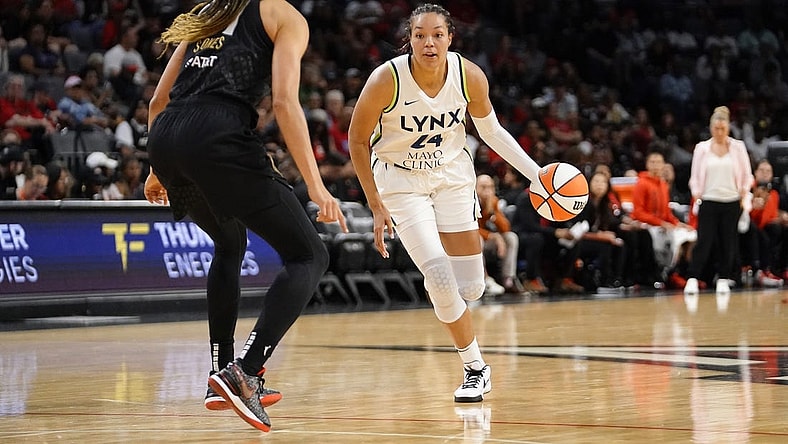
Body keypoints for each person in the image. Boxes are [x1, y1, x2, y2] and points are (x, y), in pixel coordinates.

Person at [143, 0, 347, 432]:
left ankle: (219, 371)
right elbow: (286, 102)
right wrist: (315, 183)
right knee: (309, 257)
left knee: (229, 242)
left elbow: (160, 99)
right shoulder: (282, 15)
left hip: (167, 137)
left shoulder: (208, 10)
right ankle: (245, 372)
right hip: (217, 136)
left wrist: (156, 168)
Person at [348, 3, 540, 403]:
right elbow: (356, 140)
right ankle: (475, 368)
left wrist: (537, 174)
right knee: (437, 274)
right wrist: (375, 204)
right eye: (420, 34)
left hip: (452, 177)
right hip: (400, 180)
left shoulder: (469, 76)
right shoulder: (387, 79)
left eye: (437, 34)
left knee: (469, 287)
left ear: (450, 38)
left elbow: (493, 133)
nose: (428, 42)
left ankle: (454, 297)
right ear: (410, 39)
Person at [684, 106, 753, 295]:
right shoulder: (702, 148)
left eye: (723, 128)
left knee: (728, 242)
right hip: (708, 199)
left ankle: (723, 278)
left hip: (731, 201)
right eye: (716, 128)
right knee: (704, 241)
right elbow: (695, 177)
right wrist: (697, 194)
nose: (720, 132)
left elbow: (747, 175)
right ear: (711, 127)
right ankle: (692, 277)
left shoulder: (738, 147)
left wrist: (743, 194)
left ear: (728, 128)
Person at [630, 149, 696, 288]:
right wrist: (662, 223)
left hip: (662, 224)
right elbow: (638, 212)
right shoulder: (641, 183)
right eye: (652, 162)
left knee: (691, 235)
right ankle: (667, 273)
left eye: (658, 162)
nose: (655, 165)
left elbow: (666, 212)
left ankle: (679, 272)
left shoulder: (663, 185)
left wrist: (678, 223)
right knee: (670, 238)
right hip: (646, 224)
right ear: (647, 164)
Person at [475, 173, 523, 295]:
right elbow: (472, 229)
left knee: (511, 237)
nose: (488, 190)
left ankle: (508, 279)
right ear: (474, 187)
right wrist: (493, 236)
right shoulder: (470, 202)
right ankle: (484, 280)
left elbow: (506, 228)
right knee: (477, 239)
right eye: (483, 187)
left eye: (490, 187)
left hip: (490, 244)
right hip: (473, 243)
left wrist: (492, 213)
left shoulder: (494, 201)